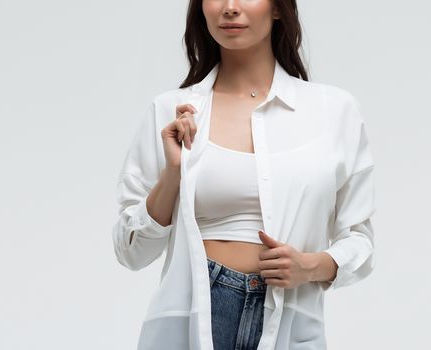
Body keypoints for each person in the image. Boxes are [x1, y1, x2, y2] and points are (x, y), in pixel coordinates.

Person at [112, 0, 377, 349]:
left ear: (279, 8)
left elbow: (360, 239)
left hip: (290, 318)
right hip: (197, 314)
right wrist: (174, 173)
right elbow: (131, 251)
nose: (230, 7)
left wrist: (311, 266)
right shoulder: (169, 111)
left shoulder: (334, 111)